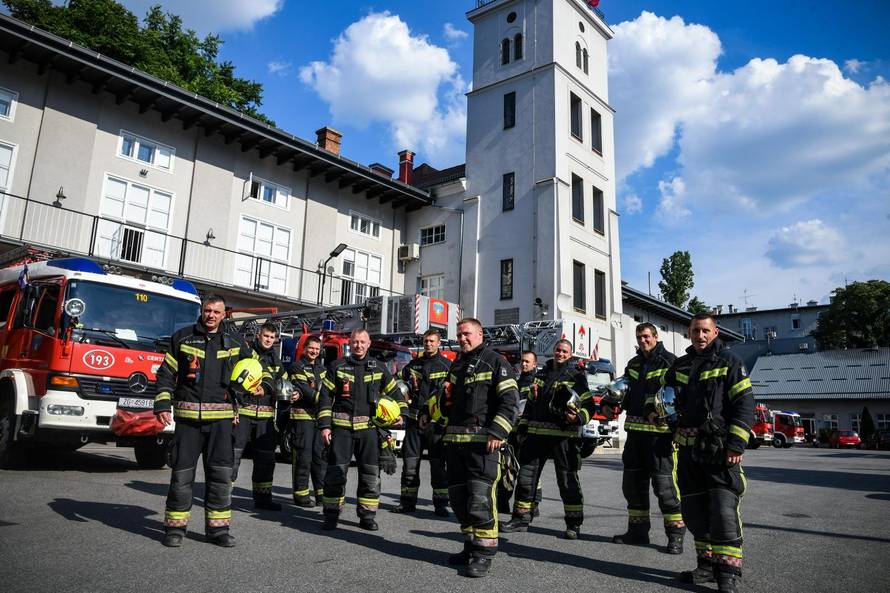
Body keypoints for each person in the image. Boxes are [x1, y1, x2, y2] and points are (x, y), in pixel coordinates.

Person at [153, 294, 256, 548]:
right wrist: (163, 404)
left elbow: (255, 370)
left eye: (216, 312)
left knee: (220, 478)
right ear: (202, 311)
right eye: (207, 310)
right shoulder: (183, 337)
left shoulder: (235, 341)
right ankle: (175, 528)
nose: (211, 315)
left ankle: (218, 530)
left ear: (223, 315)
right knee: (182, 477)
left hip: (221, 423)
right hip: (188, 422)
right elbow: (166, 374)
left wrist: (250, 392)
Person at [663, 313, 754, 593]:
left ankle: (727, 575)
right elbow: (667, 399)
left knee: (723, 511)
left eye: (705, 331)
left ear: (715, 332)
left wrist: (736, 444)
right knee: (694, 512)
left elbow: (744, 404)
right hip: (688, 451)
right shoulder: (680, 365)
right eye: (695, 331)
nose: (699, 336)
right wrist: (661, 415)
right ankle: (705, 567)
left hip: (719, 450)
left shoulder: (730, 361)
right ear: (689, 333)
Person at [443, 318, 519, 578]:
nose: (462, 338)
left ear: (479, 334)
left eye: (466, 334)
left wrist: (498, 431)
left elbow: (510, 400)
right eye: (459, 335)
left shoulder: (495, 361)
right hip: (456, 445)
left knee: (480, 500)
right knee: (459, 501)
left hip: (482, 447)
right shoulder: (457, 364)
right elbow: (447, 402)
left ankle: (484, 554)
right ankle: (470, 546)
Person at [604, 322, 685, 553]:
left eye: (647, 336)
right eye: (639, 337)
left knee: (665, 487)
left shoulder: (670, 362)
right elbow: (624, 387)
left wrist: (670, 419)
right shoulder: (634, 363)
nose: (643, 340)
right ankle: (638, 532)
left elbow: (678, 395)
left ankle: (675, 536)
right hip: (635, 435)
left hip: (660, 437)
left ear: (656, 337)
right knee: (632, 486)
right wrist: (609, 402)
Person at [501, 340, 594, 540]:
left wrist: (577, 418)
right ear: (554, 351)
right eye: (558, 350)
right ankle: (520, 518)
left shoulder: (577, 376)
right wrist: (523, 425)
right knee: (526, 478)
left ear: (570, 354)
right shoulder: (541, 374)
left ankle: (573, 524)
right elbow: (530, 403)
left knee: (567, 481)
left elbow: (589, 406)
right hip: (537, 434)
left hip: (564, 438)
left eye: (565, 351)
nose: (560, 353)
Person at [317, 328, 407, 531]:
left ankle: (367, 516)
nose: (358, 345)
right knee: (335, 474)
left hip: (369, 431)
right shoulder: (337, 366)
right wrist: (324, 426)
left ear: (368, 344)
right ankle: (331, 514)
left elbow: (396, 393)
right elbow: (325, 397)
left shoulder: (379, 368)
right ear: (350, 343)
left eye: (362, 342)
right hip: (341, 430)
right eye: (355, 342)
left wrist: (402, 414)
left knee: (370, 475)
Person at [391, 329, 451, 516]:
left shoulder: (447, 366)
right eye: (426, 341)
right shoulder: (413, 365)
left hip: (436, 425)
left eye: (432, 341)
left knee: (438, 466)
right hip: (414, 423)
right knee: (410, 465)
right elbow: (394, 383)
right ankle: (407, 503)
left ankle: (441, 505)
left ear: (439, 343)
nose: (428, 344)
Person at [232, 322, 287, 511]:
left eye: (272, 337)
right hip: (243, 413)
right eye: (266, 336)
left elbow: (284, 382)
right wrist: (233, 409)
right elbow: (234, 380)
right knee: (233, 455)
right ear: (258, 336)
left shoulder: (275, 361)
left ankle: (263, 499)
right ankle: (222, 496)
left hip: (265, 417)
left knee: (266, 459)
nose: (268, 340)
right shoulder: (246, 352)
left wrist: (292, 391)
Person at [497, 350, 541, 514]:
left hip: (530, 432)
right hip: (512, 432)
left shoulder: (538, 382)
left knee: (529, 470)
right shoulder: (516, 381)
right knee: (508, 467)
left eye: (527, 361)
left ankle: (533, 504)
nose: (523, 364)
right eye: (522, 361)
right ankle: (503, 501)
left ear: (534, 364)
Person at [287, 335, 328, 507]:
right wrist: (323, 399)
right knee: (303, 457)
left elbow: (328, 388)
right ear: (304, 349)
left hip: (318, 419)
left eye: (317, 349)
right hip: (302, 419)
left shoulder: (322, 369)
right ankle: (301, 494)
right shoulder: (297, 367)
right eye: (311, 348)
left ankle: (321, 494)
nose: (314, 351)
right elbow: (304, 389)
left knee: (320, 457)